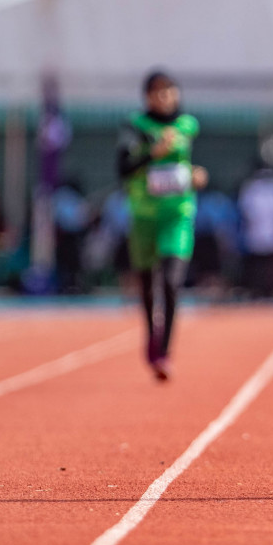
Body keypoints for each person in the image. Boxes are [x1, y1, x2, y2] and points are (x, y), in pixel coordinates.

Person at [116, 71, 208, 381]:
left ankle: (164, 351)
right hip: (143, 216)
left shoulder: (188, 126)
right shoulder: (135, 127)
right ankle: (151, 337)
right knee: (147, 284)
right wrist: (150, 154)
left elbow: (192, 165)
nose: (164, 97)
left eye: (169, 90)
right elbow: (123, 168)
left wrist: (198, 176)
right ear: (147, 97)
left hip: (177, 214)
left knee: (170, 281)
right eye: (157, 92)